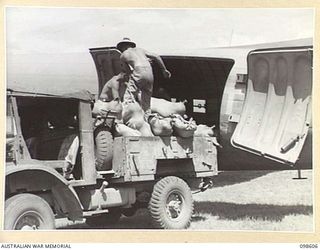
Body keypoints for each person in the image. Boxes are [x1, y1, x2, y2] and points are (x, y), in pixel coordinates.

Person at [116, 38, 171, 115]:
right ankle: (147, 117)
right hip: (149, 72)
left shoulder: (123, 55)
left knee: (128, 97)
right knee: (146, 99)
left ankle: (127, 117)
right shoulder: (141, 50)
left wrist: (128, 79)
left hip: (138, 70)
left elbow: (127, 71)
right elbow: (157, 56)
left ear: (122, 46)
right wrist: (164, 70)